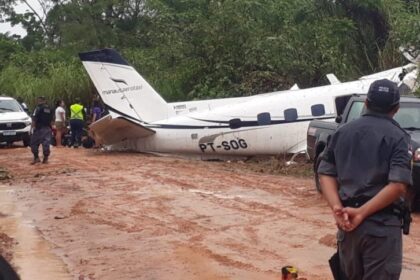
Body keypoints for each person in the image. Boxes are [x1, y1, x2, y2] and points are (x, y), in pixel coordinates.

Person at [317, 79, 412, 279]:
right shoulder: (399, 138)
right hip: (381, 228)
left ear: (366, 103)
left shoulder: (342, 132)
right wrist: (361, 212)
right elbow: (397, 186)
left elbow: (325, 173)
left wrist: (336, 208)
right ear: (395, 108)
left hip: (348, 226)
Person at [31, 96, 53, 164]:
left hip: (38, 128)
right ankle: (45, 159)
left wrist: (33, 127)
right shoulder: (50, 109)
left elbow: (34, 118)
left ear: (39, 101)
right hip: (47, 128)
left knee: (34, 143)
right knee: (46, 143)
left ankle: (36, 158)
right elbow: (52, 119)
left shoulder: (38, 108)